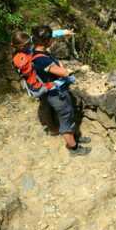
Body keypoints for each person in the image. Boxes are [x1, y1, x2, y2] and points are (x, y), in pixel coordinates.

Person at [29, 25, 91, 156]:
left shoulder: (33, 47)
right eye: (51, 38)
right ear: (45, 41)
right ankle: (73, 148)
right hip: (56, 94)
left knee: (69, 115)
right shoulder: (41, 60)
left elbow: (51, 34)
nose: (53, 40)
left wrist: (63, 32)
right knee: (65, 119)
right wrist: (70, 69)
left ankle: (75, 138)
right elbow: (63, 73)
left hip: (57, 91)